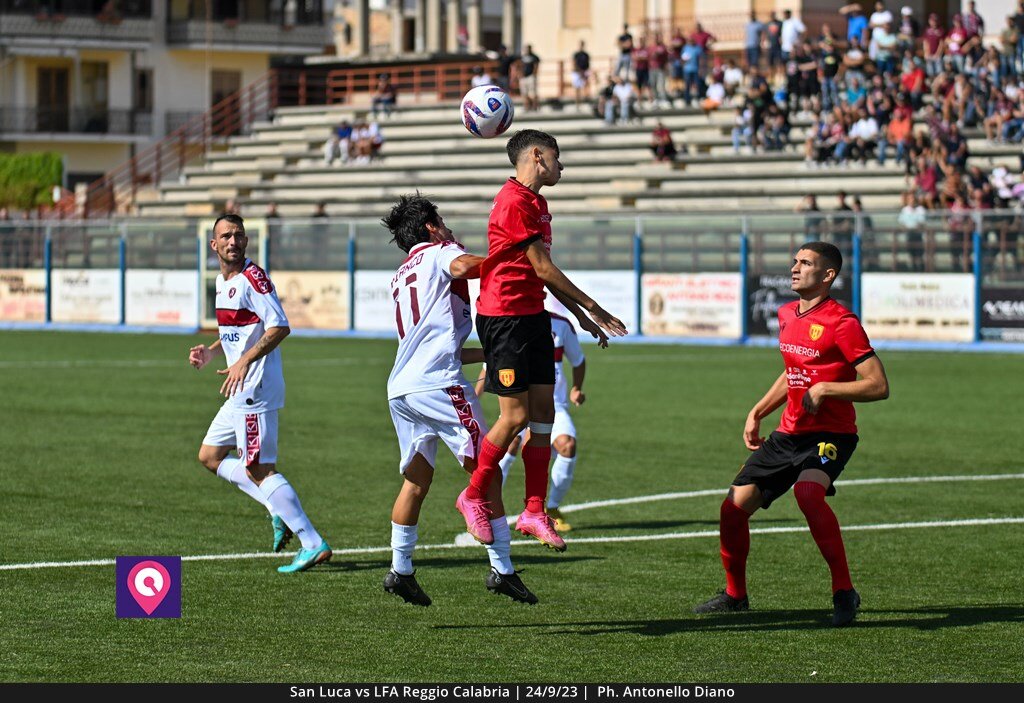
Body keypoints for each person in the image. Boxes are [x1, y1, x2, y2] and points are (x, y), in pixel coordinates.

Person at [694, 241, 890, 627]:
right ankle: (735, 596)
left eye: (806, 263)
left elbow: (878, 385)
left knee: (808, 494)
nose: (794, 267)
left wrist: (828, 389)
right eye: (795, 261)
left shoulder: (842, 322)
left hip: (831, 434)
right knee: (733, 508)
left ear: (828, 275)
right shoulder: (787, 314)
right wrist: (758, 411)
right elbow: (794, 373)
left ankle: (844, 591)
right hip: (788, 433)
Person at [463, 130, 627, 553]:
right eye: (557, 156)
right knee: (514, 418)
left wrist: (578, 316)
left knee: (542, 419)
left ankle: (535, 510)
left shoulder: (537, 202)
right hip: (505, 317)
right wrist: (593, 306)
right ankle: (474, 494)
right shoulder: (514, 200)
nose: (562, 165)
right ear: (537, 155)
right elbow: (543, 266)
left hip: (531, 314)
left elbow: (542, 272)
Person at [379, 194, 538, 606]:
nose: (449, 228)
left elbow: (433, 342)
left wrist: (491, 353)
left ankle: (400, 570)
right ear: (431, 227)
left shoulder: (400, 274)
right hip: (439, 384)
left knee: (415, 481)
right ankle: (502, 569)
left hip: (403, 388)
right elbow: (464, 265)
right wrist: (507, 254)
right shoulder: (439, 251)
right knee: (488, 471)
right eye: (443, 221)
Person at [188, 214, 332, 573]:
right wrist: (212, 351)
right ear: (214, 244)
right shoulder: (224, 283)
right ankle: (276, 507)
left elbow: (279, 326)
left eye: (238, 235)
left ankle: (312, 542)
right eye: (226, 236)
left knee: (258, 469)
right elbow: (238, 329)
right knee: (209, 456)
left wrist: (245, 362)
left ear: (246, 241)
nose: (233, 241)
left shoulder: (254, 278)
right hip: (238, 387)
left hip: (255, 386)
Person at [477, 311, 587, 533]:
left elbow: (578, 360)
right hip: (517, 403)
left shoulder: (561, 325)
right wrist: (474, 397)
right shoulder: (509, 321)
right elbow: (489, 365)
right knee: (508, 446)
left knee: (567, 445)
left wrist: (576, 388)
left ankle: (552, 509)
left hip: (552, 404)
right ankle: (486, 506)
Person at [519, 45, 541, 111]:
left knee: (533, 93)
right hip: (523, 77)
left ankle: (535, 107)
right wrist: (520, 74)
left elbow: (536, 65)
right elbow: (519, 65)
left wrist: (534, 74)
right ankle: (526, 107)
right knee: (524, 93)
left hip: (531, 76)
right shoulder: (522, 57)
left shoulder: (534, 57)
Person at [571, 41, 592, 110]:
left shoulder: (586, 55)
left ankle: (585, 102)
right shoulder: (576, 54)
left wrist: (584, 72)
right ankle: (577, 105)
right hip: (577, 72)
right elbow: (574, 64)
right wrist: (579, 72)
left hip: (584, 72)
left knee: (586, 87)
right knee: (577, 89)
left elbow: (588, 64)